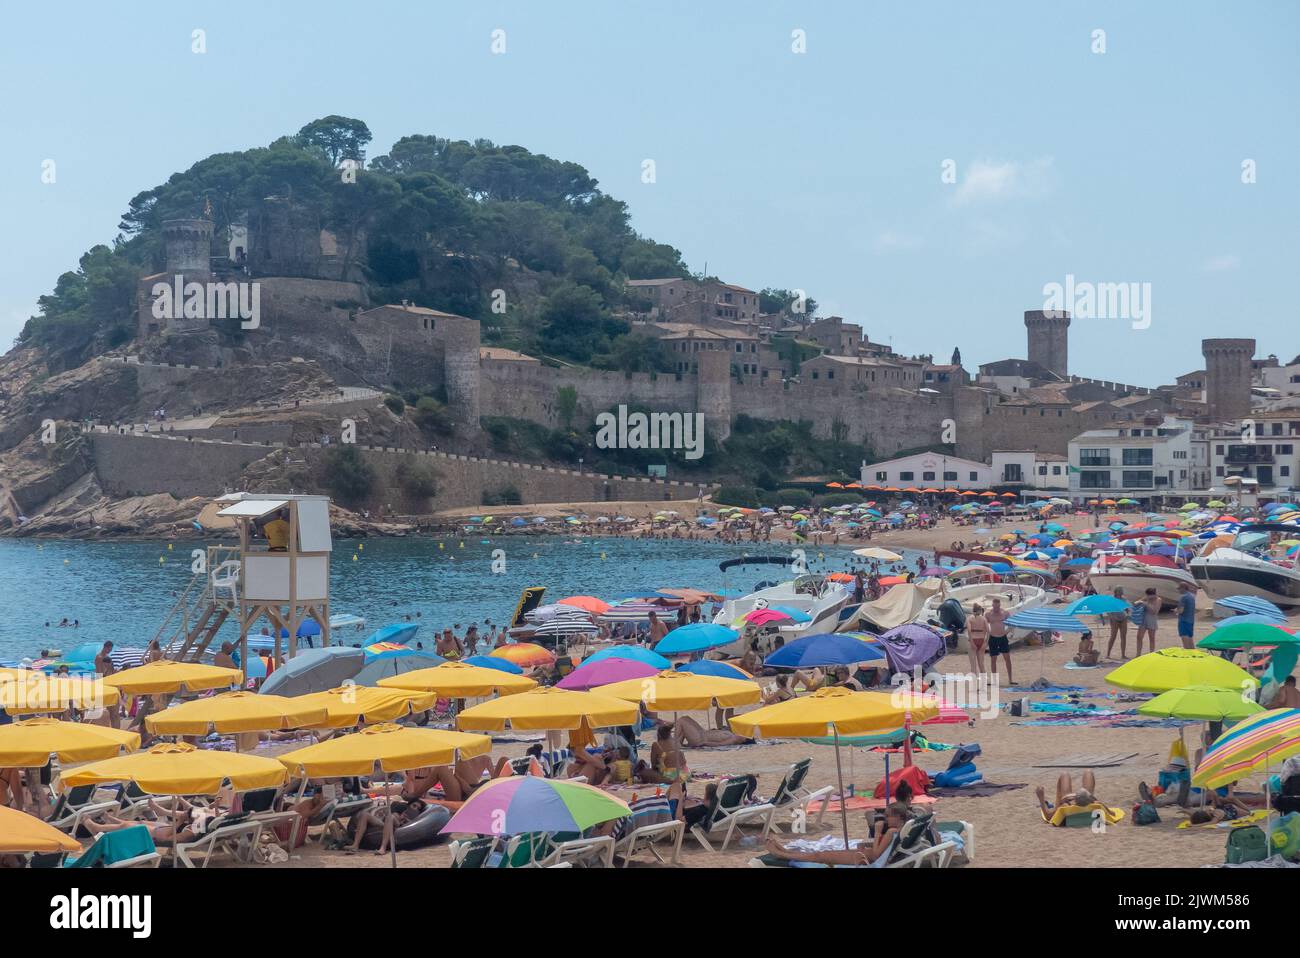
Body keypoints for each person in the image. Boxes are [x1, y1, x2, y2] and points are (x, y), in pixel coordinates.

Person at [761, 804, 907, 866]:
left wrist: (876, 832)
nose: (886, 819)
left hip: (864, 857)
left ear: (899, 817)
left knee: (819, 856)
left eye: (888, 816)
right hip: (863, 853)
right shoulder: (902, 829)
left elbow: (875, 856)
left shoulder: (890, 831)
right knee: (821, 854)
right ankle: (786, 851)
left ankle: (784, 855)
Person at [1035, 770, 1107, 821]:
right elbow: (1113, 814)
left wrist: (1041, 798)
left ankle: (1056, 804)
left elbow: (1048, 817)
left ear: (1075, 799)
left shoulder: (1066, 806)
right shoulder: (1096, 803)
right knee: (1088, 772)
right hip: (1086, 800)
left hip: (1070, 800)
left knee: (1065, 774)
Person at [671, 715, 752, 748]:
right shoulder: (733, 735)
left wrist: (705, 743)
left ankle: (676, 743)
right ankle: (678, 743)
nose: (742, 733)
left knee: (682, 720)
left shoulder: (733, 740)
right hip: (702, 733)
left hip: (700, 738)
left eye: (744, 735)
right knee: (685, 718)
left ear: (744, 740)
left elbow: (719, 744)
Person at [985, 597, 1012, 684]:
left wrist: (1007, 632)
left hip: (1002, 637)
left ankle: (1010, 679)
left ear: (1000, 605)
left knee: (1007, 658)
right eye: (994, 606)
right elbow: (984, 625)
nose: (996, 608)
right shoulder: (988, 614)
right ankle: (994, 680)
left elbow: (1011, 623)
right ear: (992, 605)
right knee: (993, 659)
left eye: (997, 606)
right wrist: (986, 636)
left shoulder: (1005, 613)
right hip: (993, 637)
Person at [1105, 587, 1129, 659]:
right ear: (1116, 591)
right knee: (1113, 636)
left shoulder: (1124, 599)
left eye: (1121, 591)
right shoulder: (1111, 599)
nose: (1121, 592)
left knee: (1123, 637)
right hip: (1114, 619)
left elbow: (1126, 608)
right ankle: (1108, 654)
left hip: (1123, 618)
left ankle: (1123, 655)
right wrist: (1111, 618)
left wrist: (1127, 614)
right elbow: (1108, 610)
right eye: (1119, 591)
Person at [966, 602, 989, 675]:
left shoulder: (969, 618)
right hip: (981, 640)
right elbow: (988, 631)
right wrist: (986, 643)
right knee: (981, 664)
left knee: (973, 665)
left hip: (973, 639)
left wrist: (972, 642)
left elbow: (969, 630)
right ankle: (984, 681)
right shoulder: (984, 619)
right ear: (980, 610)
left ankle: (974, 683)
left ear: (973, 610)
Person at [1137, 588, 1161, 655]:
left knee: (1151, 638)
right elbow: (1135, 604)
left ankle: (1151, 653)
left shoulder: (1158, 600)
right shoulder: (1146, 598)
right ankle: (1138, 654)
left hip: (1152, 619)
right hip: (1143, 619)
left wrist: (1146, 603)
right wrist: (1141, 601)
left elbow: (1154, 611)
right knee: (1139, 637)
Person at [1175, 582, 1197, 650]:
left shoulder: (1183, 597)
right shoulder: (1192, 597)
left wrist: (1176, 611)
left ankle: (1187, 654)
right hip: (1190, 620)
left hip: (1183, 620)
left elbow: (1181, 610)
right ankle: (1193, 655)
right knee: (1190, 638)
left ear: (1183, 588)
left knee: (1184, 637)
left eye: (1179, 589)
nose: (1179, 590)